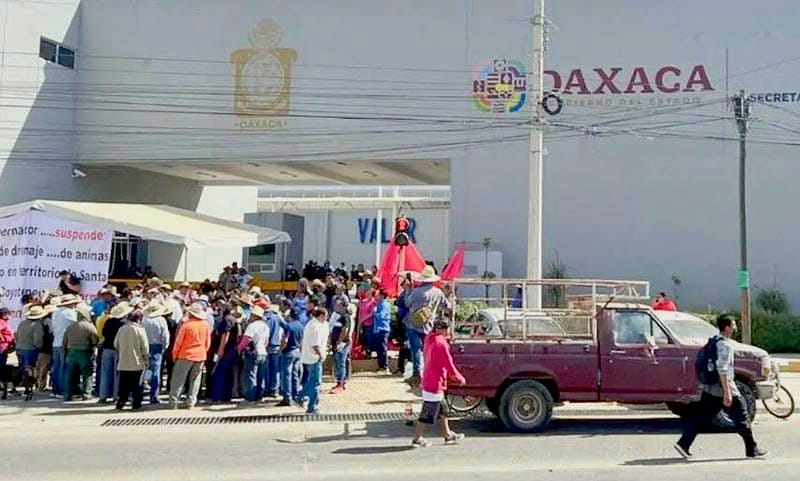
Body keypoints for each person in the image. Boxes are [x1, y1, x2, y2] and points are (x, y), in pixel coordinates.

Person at [675, 314, 767, 460]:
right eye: (733, 324)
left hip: (711, 387)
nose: (735, 327)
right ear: (727, 327)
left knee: (702, 417)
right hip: (723, 388)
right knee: (742, 416)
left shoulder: (714, 340)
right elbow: (722, 369)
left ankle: (683, 444)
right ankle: (752, 449)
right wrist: (727, 392)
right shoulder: (725, 345)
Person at [411, 319, 466, 448]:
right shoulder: (441, 343)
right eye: (448, 329)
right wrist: (458, 377)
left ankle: (448, 434)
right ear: (443, 329)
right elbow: (448, 363)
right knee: (427, 413)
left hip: (430, 379)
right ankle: (417, 438)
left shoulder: (430, 338)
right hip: (435, 383)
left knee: (443, 410)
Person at [405, 266, 449, 386]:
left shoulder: (416, 292)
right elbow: (446, 306)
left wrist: (408, 291)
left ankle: (416, 374)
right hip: (429, 325)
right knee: (428, 351)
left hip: (413, 324)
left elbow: (407, 303)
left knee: (415, 350)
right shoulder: (437, 292)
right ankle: (428, 372)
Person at [169, 303, 211, 409]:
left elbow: (178, 342)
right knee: (195, 380)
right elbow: (208, 342)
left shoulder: (186, 325)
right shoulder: (206, 325)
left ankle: (174, 402)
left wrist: (174, 355)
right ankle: (191, 402)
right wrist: (204, 351)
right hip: (200, 355)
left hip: (185, 355)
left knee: (178, 379)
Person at [114, 309, 149, 411]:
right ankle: (136, 403)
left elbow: (116, 344)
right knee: (137, 384)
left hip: (123, 361)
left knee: (123, 384)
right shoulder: (140, 330)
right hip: (137, 362)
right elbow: (145, 347)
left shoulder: (122, 329)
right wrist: (146, 358)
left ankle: (121, 402)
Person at [62, 303, 98, 401]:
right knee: (87, 373)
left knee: (70, 374)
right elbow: (94, 340)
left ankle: (68, 394)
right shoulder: (89, 327)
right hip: (84, 352)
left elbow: (64, 342)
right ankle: (86, 393)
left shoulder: (70, 327)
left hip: (71, 352)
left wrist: (64, 352)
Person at [98, 301, 132, 403]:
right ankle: (116, 395)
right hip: (118, 349)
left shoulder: (108, 321)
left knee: (105, 373)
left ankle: (103, 396)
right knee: (117, 374)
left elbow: (103, 333)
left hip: (107, 348)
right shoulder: (124, 324)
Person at [209, 303, 242, 403]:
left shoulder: (226, 319)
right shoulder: (234, 319)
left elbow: (225, 335)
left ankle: (217, 396)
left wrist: (221, 349)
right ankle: (226, 396)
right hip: (233, 349)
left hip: (226, 349)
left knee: (219, 372)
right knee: (228, 373)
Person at [300, 307, 329, 415]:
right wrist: (321, 355)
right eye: (326, 316)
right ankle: (312, 406)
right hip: (314, 358)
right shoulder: (315, 326)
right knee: (315, 383)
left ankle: (302, 397)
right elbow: (315, 344)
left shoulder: (311, 324)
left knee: (312, 381)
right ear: (321, 315)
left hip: (309, 357)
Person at [50, 294, 80, 396]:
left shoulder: (55, 313)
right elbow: (76, 324)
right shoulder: (70, 313)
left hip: (56, 342)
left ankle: (55, 389)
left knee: (56, 367)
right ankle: (62, 389)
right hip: (65, 343)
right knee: (64, 367)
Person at [238, 305, 269, 402]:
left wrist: (239, 348)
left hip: (253, 352)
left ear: (254, 316)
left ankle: (251, 396)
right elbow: (266, 341)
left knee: (251, 374)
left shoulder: (252, 326)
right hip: (263, 351)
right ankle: (260, 395)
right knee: (261, 375)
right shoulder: (265, 326)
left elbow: (246, 339)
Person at [142, 303, 170, 404]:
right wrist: (165, 347)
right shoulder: (161, 320)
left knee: (144, 370)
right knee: (156, 372)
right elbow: (165, 335)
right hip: (157, 345)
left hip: (146, 344)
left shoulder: (144, 320)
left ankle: (140, 393)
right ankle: (154, 395)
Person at [15, 305, 46, 400]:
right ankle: (28, 387)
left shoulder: (22, 323)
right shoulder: (37, 325)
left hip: (19, 348)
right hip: (30, 349)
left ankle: (24, 385)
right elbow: (38, 341)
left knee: (22, 368)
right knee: (29, 369)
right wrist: (39, 347)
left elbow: (17, 335)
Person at [278, 307, 304, 407]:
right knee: (295, 374)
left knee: (286, 375)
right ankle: (295, 394)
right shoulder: (301, 326)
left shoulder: (288, 326)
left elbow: (285, 340)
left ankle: (287, 397)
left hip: (288, 352)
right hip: (297, 351)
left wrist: (281, 350)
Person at [329, 298, 354, 393]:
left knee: (341, 363)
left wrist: (338, 342)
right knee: (338, 362)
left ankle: (341, 383)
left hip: (342, 344)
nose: (335, 307)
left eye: (338, 305)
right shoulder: (339, 317)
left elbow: (344, 331)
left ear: (343, 306)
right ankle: (340, 382)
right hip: (337, 343)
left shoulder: (345, 317)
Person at [264, 300, 283, 399]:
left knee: (267, 368)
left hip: (268, 345)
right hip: (277, 344)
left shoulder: (267, 318)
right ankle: (275, 389)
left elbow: (267, 333)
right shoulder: (278, 318)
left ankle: (268, 388)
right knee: (276, 369)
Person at [372, 290, 392, 374]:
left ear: (382, 296)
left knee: (383, 348)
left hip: (383, 328)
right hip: (378, 328)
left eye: (378, 295)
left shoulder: (385, 305)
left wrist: (374, 312)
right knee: (379, 349)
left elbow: (381, 316)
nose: (376, 296)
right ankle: (380, 366)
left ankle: (385, 367)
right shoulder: (379, 304)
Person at [0, 307, 16, 400]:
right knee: (1, 368)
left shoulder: (4, 322)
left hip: (4, 347)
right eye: (8, 314)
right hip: (2, 347)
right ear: (4, 314)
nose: (9, 315)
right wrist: (2, 339)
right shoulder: (1, 322)